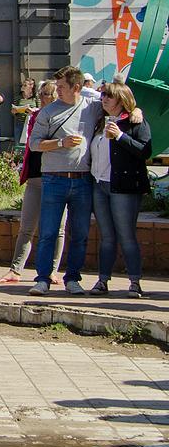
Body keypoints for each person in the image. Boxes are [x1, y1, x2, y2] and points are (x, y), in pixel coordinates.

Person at [26, 65, 102, 297]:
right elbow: (34, 144)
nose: (56, 91)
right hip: (54, 179)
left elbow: (119, 104)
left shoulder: (92, 107)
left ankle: (73, 278)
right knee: (48, 231)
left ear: (76, 87)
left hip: (82, 179)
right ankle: (42, 278)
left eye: (61, 87)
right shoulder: (48, 112)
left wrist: (135, 111)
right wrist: (61, 143)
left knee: (79, 233)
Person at [90, 82, 152, 297]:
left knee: (126, 235)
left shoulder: (135, 121)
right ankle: (102, 280)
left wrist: (120, 136)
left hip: (124, 187)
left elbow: (145, 151)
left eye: (109, 96)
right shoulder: (99, 120)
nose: (104, 98)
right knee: (106, 237)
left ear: (121, 99)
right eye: (103, 95)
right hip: (100, 184)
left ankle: (134, 282)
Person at [0, 79, 58, 286]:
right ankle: (15, 269)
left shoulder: (62, 117)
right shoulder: (36, 116)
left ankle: (52, 271)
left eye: (45, 94)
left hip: (56, 176)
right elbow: (32, 144)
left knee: (58, 228)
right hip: (35, 176)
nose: (41, 98)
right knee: (26, 226)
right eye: (40, 94)